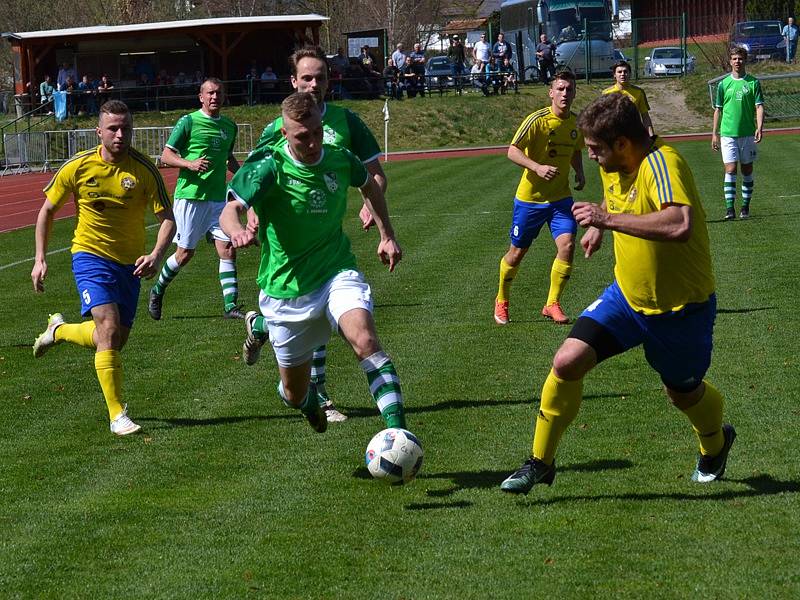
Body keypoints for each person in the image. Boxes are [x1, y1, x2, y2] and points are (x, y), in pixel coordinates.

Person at [500, 93, 736, 494]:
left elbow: (680, 223)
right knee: (567, 361)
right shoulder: (616, 163)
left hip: (681, 310)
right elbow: (614, 195)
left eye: (595, 150)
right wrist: (600, 225)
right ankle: (540, 462)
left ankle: (715, 443)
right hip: (626, 298)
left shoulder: (662, 163)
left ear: (623, 144)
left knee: (682, 393)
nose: (590, 156)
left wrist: (607, 218)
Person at [221, 92, 408, 436]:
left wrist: (387, 234)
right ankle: (296, 384)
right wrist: (235, 232)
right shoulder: (269, 166)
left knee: (365, 340)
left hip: (336, 271)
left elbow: (370, 185)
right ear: (285, 135)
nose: (312, 143)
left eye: (317, 133)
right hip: (285, 291)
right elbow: (231, 209)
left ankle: (400, 434)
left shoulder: (339, 158)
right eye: (302, 137)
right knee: (293, 393)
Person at [238, 46, 388, 423]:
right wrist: (252, 215)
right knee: (302, 311)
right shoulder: (277, 128)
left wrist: (371, 204)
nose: (314, 84)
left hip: (329, 242)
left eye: (320, 77)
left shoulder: (348, 122)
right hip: (287, 243)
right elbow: (254, 178)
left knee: (334, 310)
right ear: (293, 81)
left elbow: (374, 173)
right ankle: (311, 389)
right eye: (306, 77)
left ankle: (317, 392)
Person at [30, 100, 175, 436]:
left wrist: (155, 254)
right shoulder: (78, 166)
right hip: (90, 257)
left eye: (125, 128)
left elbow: (166, 218)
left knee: (113, 340)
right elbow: (47, 211)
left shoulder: (143, 170)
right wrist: (40, 258)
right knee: (108, 328)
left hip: (130, 265)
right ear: (99, 132)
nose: (120, 134)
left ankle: (59, 330)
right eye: (113, 128)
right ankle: (117, 415)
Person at [494, 70, 585, 327]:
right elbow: (512, 151)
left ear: (575, 92)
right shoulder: (536, 120)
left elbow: (576, 150)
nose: (565, 93)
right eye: (560, 89)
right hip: (530, 200)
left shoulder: (576, 124)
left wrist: (579, 171)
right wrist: (537, 167)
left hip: (560, 200)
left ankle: (552, 304)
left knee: (567, 246)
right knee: (517, 253)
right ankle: (502, 299)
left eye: (569, 89)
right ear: (551, 92)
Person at [149, 78, 243, 321]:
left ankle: (231, 306)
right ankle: (158, 290)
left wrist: (244, 176)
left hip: (217, 200)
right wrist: (189, 164)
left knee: (228, 248)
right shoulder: (189, 121)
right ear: (201, 97)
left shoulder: (230, 126)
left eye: (219, 93)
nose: (215, 97)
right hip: (191, 197)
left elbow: (228, 157)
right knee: (184, 254)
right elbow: (166, 156)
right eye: (210, 93)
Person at [711, 47, 764, 220]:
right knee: (731, 168)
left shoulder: (753, 83)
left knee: (747, 169)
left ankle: (745, 207)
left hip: (748, 133)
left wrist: (760, 127)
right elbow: (718, 110)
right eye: (734, 58)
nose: (737, 61)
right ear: (730, 61)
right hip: (727, 134)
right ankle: (729, 209)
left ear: (745, 60)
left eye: (740, 58)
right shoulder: (723, 84)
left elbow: (759, 106)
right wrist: (714, 133)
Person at [601, 60, 655, 137]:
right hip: (614, 136)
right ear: (614, 75)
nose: (623, 74)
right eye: (619, 72)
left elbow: (645, 116)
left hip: (634, 135)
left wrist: (652, 136)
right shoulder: (606, 93)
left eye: (625, 71)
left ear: (630, 74)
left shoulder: (639, 92)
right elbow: (602, 117)